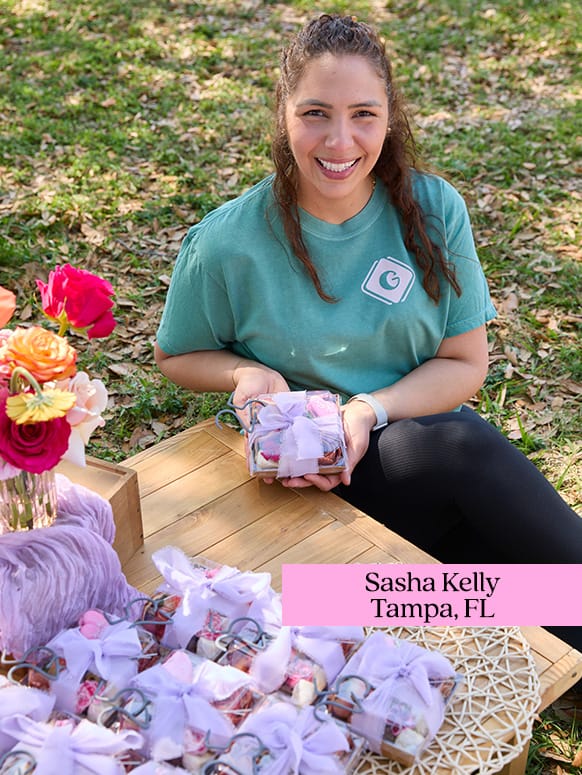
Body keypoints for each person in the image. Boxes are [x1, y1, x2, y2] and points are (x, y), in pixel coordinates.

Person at [154, 14, 581, 650]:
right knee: (464, 447)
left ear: (389, 119)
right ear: (283, 115)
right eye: (316, 113)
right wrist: (243, 372)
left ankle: (410, 603)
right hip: (307, 497)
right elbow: (177, 352)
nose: (340, 140)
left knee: (520, 592)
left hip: (413, 475)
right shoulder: (226, 241)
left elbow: (464, 362)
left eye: (364, 114)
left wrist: (367, 413)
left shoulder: (434, 211)